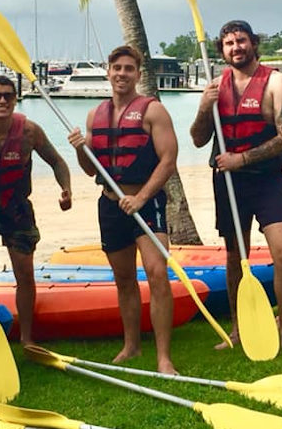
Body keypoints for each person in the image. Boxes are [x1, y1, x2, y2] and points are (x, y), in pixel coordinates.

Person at [189, 20, 282, 356]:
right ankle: (238, 329)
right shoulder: (216, 86)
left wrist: (242, 159)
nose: (236, 48)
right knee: (235, 256)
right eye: (229, 43)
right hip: (229, 183)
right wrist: (205, 106)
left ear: (253, 43)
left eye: (241, 41)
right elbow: (198, 138)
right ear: (222, 49)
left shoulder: (275, 82)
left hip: (267, 180)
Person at [67, 45, 179, 374]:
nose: (122, 73)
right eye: (117, 68)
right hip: (111, 205)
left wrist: (143, 197)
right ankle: (131, 346)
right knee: (124, 279)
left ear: (138, 74)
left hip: (146, 202)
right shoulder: (94, 115)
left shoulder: (153, 111)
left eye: (129, 68)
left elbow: (168, 161)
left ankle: (164, 357)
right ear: (108, 71)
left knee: (157, 274)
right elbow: (91, 170)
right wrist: (80, 150)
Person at [0, 76, 73, 345]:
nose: (2, 101)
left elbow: (57, 161)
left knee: (25, 273)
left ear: (16, 99)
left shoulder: (29, 132)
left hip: (17, 208)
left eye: (8, 96)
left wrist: (66, 189)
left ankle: (26, 338)